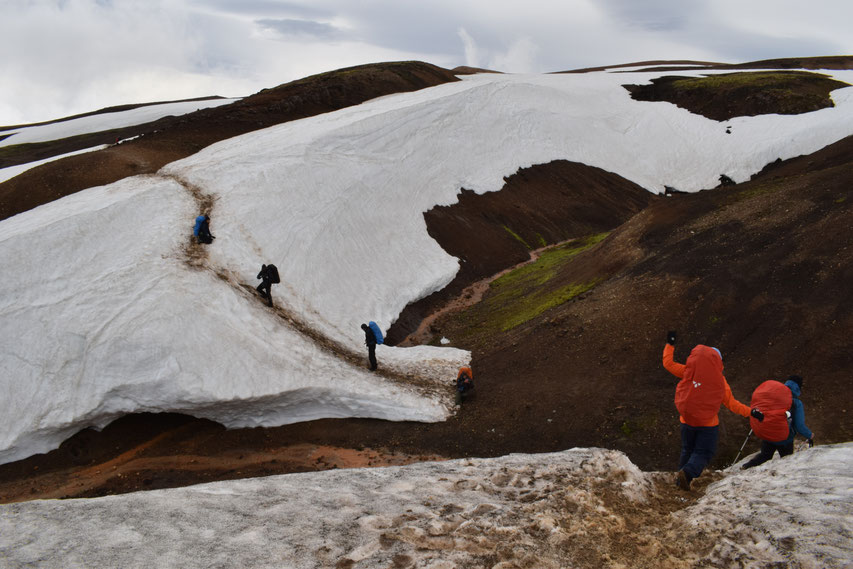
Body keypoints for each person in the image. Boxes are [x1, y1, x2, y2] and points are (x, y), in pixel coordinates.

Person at [663, 330, 750, 490]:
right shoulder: (720, 382)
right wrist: (751, 412)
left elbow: (668, 364)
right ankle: (687, 473)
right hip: (707, 424)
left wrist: (670, 345)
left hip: (686, 420)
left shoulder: (689, 371)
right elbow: (732, 404)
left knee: (687, 449)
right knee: (703, 452)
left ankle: (680, 481)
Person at [742, 375, 814, 469]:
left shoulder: (774, 396)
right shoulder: (796, 403)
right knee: (786, 461)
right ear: (798, 387)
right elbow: (799, 425)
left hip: (768, 434)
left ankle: (747, 467)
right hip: (784, 438)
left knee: (765, 456)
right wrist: (810, 435)